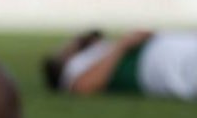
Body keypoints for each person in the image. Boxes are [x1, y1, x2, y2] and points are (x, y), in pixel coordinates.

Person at [43, 30, 197, 100]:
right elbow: (82, 86)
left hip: (170, 52)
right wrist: (122, 45)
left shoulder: (98, 51)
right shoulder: (74, 66)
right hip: (165, 64)